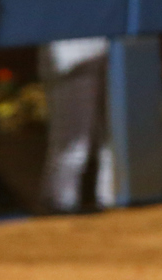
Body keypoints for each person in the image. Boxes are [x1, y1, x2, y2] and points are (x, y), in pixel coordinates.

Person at [38, 37, 114, 213]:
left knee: (117, 141)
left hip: (113, 43)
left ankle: (114, 206)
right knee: (72, 144)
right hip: (69, 46)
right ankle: (58, 208)